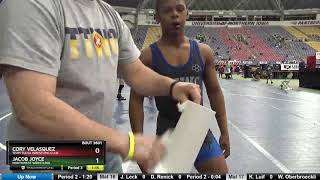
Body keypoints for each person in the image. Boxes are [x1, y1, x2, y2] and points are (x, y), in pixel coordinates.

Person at [0, 0, 202, 173]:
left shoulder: (108, 14)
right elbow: (33, 106)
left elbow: (135, 71)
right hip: (46, 157)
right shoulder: (32, 5)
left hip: (100, 149)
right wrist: (126, 143)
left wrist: (173, 86)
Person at [129, 0, 229, 174]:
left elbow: (214, 92)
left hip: (199, 132)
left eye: (180, 9)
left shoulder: (203, 52)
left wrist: (224, 131)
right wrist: (139, 143)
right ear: (157, 17)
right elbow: (136, 100)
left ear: (187, 14)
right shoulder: (148, 57)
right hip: (168, 135)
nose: (175, 14)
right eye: (168, 10)